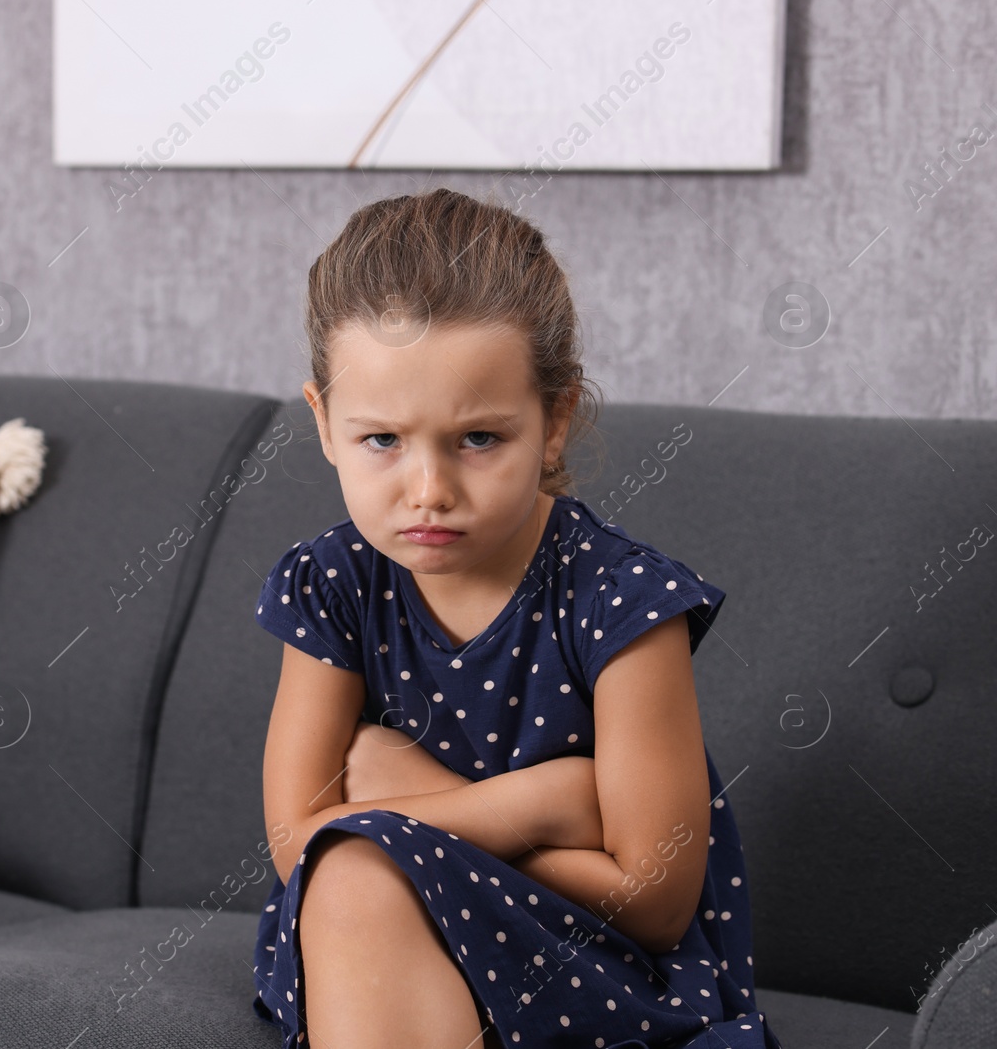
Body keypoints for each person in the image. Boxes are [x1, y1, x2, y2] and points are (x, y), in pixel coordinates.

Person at [250, 188, 781, 1049]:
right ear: (322, 422)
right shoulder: (333, 583)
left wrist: (430, 803)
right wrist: (550, 803)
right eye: (381, 439)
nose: (429, 489)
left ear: (555, 419)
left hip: (592, 962)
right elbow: (298, 846)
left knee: (363, 853)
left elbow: (654, 897)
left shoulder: (622, 599)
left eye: (479, 439)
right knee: (349, 872)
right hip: (393, 935)